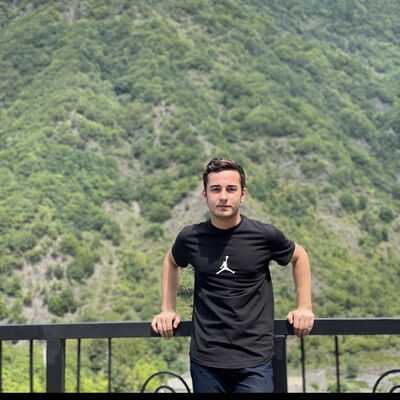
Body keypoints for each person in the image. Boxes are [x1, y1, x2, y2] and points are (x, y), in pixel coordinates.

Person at [151, 157, 314, 393]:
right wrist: (167, 309)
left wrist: (304, 307)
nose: (223, 196)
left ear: (242, 194)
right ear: (205, 195)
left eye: (231, 189)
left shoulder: (264, 235)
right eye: (215, 189)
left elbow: (299, 257)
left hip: (255, 360)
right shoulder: (191, 237)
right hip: (206, 360)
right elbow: (171, 261)